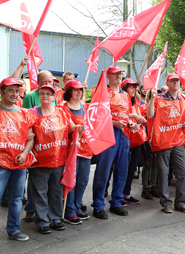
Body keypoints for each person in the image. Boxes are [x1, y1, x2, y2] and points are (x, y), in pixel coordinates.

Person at [29, 84, 76, 234]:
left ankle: (55, 219)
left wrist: (78, 130)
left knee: (56, 192)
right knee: (40, 193)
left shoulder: (62, 113)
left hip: (58, 161)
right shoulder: (32, 113)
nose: (45, 96)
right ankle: (43, 221)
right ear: (39, 95)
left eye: (49, 94)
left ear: (54, 96)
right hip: (39, 162)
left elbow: (71, 128)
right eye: (42, 93)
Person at [91, 65, 136, 219]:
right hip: (107, 134)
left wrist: (132, 123)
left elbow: (127, 115)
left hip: (123, 135)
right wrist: (114, 122)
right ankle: (98, 205)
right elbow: (96, 114)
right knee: (103, 170)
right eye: (115, 74)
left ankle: (116, 202)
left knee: (122, 170)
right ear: (108, 76)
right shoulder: (103, 92)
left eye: (120, 74)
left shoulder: (125, 95)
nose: (118, 76)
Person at [146, 73, 185, 213]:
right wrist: (152, 98)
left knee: (184, 172)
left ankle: (180, 202)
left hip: (178, 141)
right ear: (168, 82)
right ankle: (166, 203)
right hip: (163, 142)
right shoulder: (158, 99)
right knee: (164, 172)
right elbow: (149, 115)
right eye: (173, 81)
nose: (175, 83)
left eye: (177, 81)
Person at [0, 77, 36, 241]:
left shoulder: (24, 113)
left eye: (17, 90)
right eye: (11, 90)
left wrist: (24, 153)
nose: (15, 94)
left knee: (17, 199)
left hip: (20, 163)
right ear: (2, 92)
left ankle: (13, 229)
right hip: (1, 164)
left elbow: (31, 137)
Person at [21, 70, 57, 223]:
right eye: (44, 82)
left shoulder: (53, 96)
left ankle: (48, 214)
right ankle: (30, 209)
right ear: (38, 82)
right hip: (35, 147)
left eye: (50, 82)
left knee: (49, 186)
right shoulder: (30, 97)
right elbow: (25, 117)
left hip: (50, 148)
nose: (47, 85)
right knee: (35, 183)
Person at [61, 80, 93, 224]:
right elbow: (61, 128)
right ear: (69, 91)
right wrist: (73, 129)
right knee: (70, 181)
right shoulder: (62, 108)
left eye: (81, 90)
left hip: (85, 149)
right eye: (76, 90)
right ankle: (69, 211)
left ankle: (77, 205)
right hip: (71, 150)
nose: (79, 92)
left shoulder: (86, 106)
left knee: (83, 181)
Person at [121, 78, 147, 204]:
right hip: (125, 138)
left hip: (136, 139)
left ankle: (126, 193)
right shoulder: (121, 100)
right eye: (131, 87)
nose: (134, 89)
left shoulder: (136, 102)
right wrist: (132, 119)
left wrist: (139, 123)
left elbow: (139, 118)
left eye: (134, 87)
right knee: (122, 168)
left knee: (132, 168)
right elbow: (121, 114)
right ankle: (118, 193)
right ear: (124, 88)